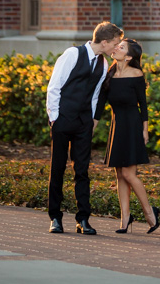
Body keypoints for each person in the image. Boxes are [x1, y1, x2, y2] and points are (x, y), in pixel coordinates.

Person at [45, 21, 123, 235]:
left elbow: (96, 94)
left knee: (82, 171)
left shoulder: (103, 63)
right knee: (57, 169)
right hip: (62, 120)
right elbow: (55, 86)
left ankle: (83, 220)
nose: (117, 47)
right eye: (115, 43)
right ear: (104, 41)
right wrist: (55, 118)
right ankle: (55, 218)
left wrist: (92, 121)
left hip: (83, 123)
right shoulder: (72, 54)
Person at [94, 38, 160, 234]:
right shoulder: (110, 73)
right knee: (119, 175)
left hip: (132, 125)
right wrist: (93, 125)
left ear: (129, 56)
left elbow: (143, 104)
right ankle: (125, 219)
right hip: (117, 126)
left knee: (129, 174)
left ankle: (150, 213)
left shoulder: (136, 74)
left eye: (121, 47)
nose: (116, 48)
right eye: (117, 45)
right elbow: (100, 103)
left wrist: (144, 129)